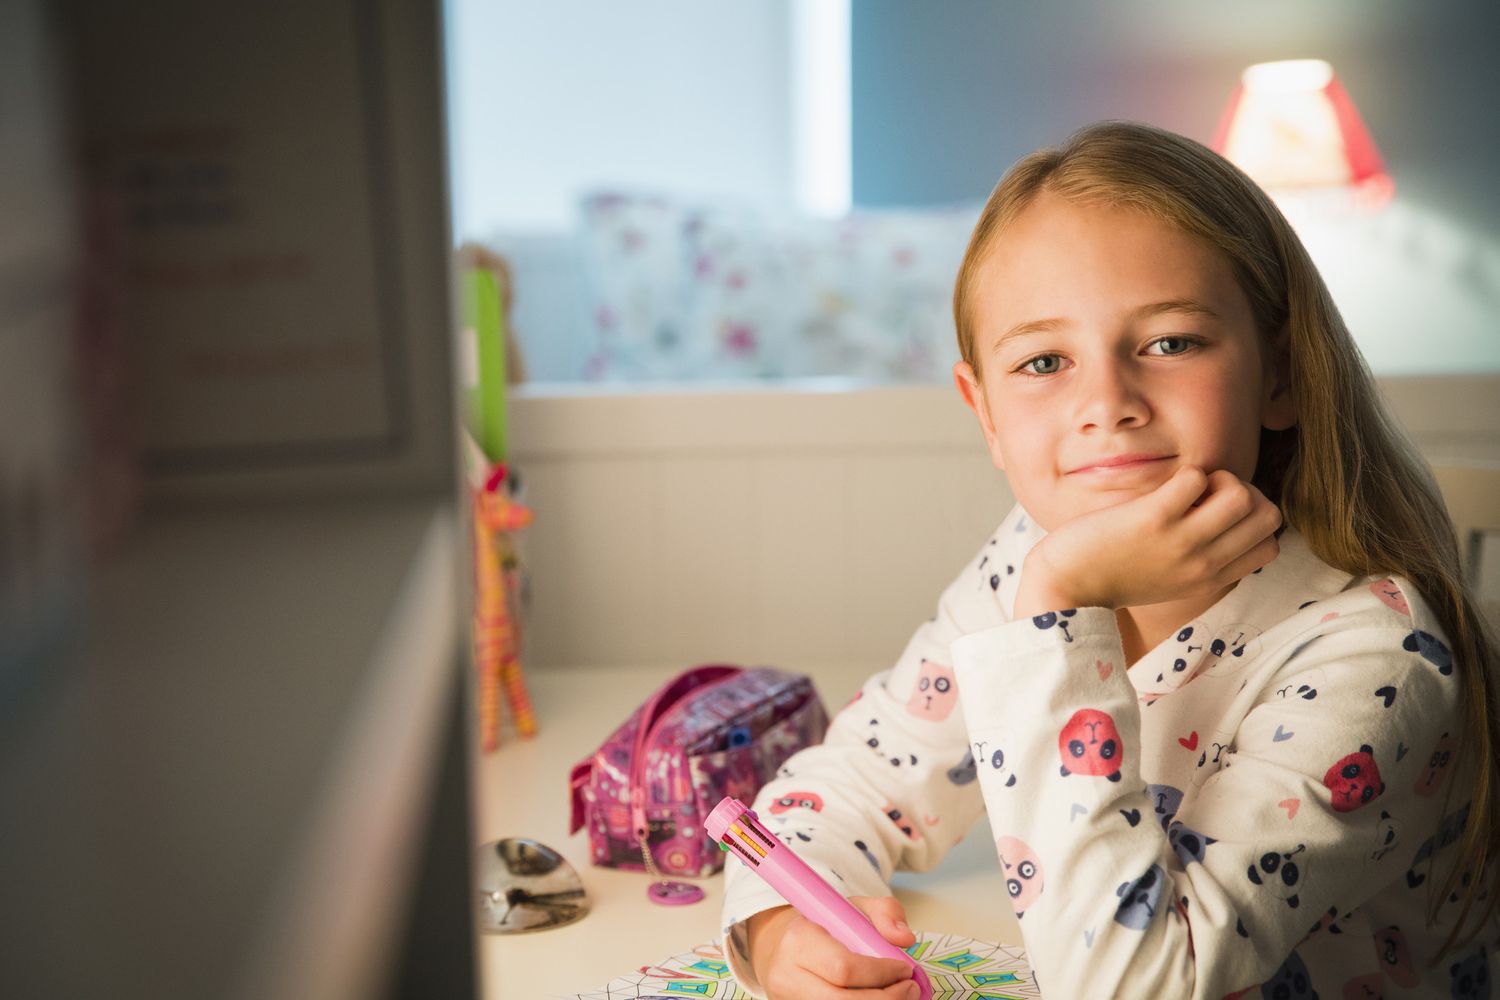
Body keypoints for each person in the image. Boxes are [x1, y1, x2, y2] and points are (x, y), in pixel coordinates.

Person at [718, 120, 1500, 999]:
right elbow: (854, 783)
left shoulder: (1373, 657)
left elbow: (1137, 984)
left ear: (1278, 374)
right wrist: (779, 930)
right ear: (985, 415)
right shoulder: (1028, 548)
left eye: (1170, 343)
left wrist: (1060, 604)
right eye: (1045, 360)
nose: (1107, 403)